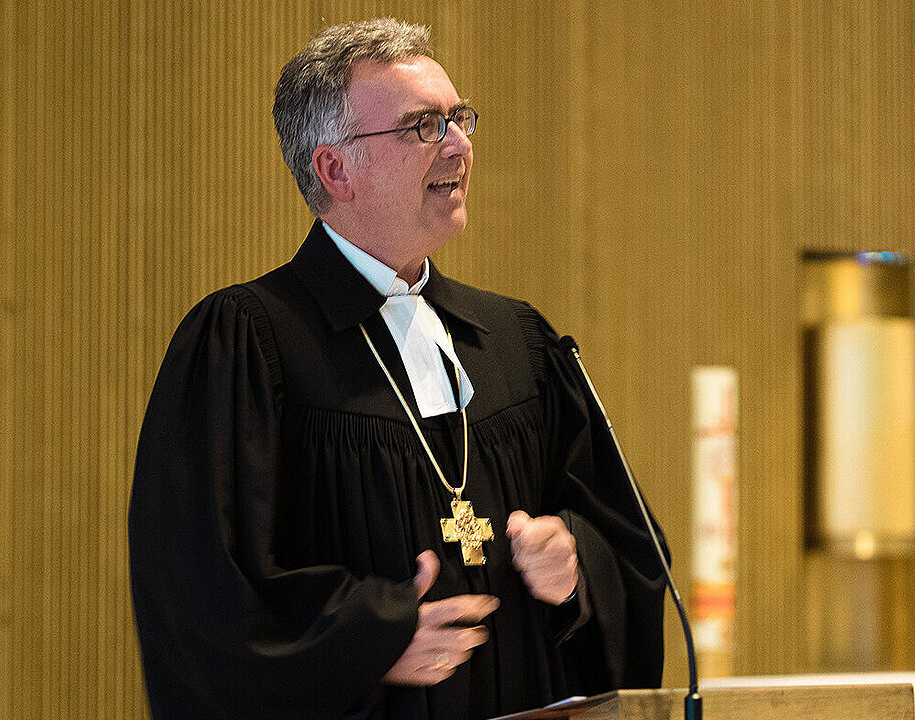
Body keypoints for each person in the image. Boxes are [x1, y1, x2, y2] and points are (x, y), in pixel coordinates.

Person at [129, 18, 666, 720]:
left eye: (459, 118)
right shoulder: (248, 343)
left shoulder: (514, 340)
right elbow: (199, 598)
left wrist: (576, 567)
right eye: (423, 126)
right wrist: (365, 638)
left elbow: (628, 545)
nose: (460, 144)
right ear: (335, 170)